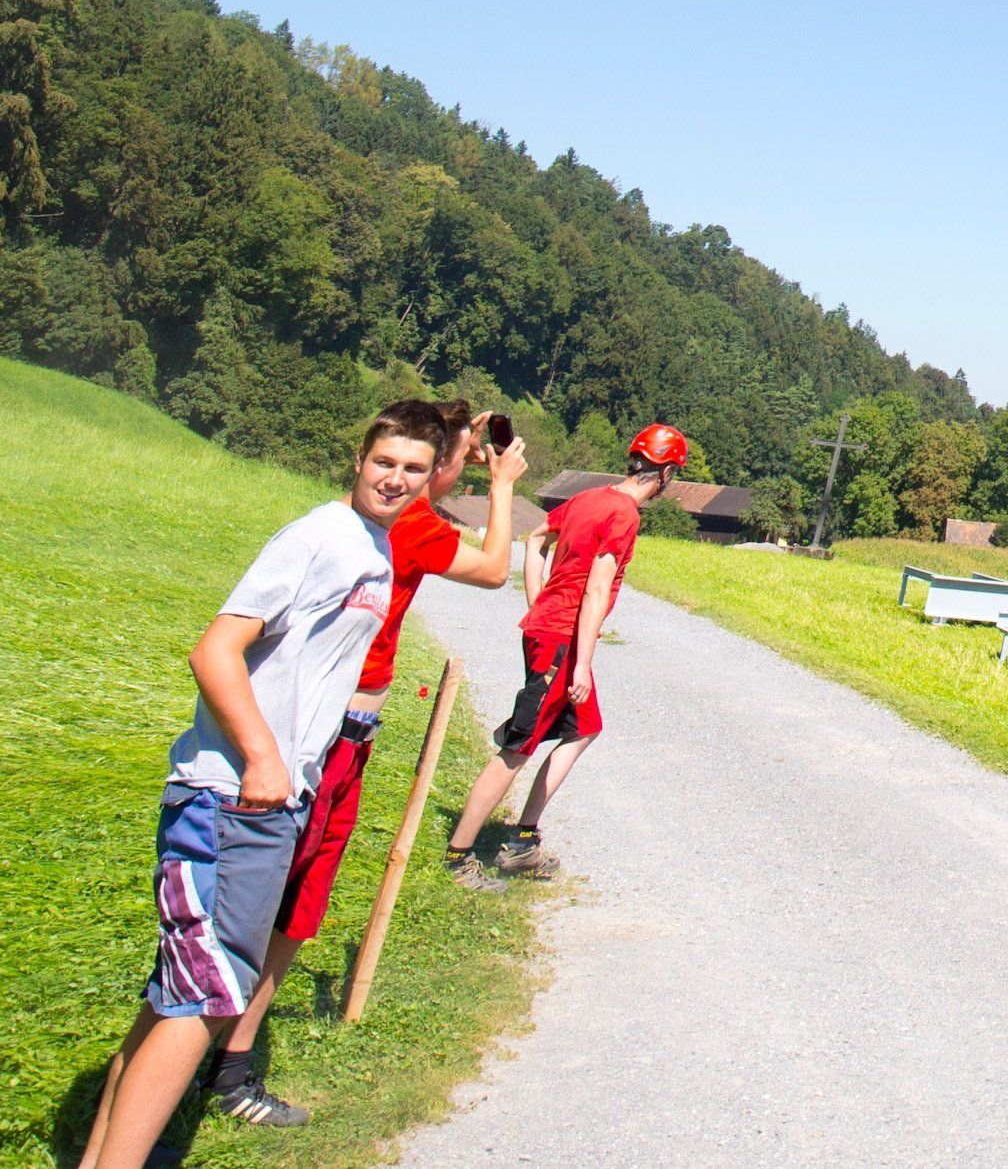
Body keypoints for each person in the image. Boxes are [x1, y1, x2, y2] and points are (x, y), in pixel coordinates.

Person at [84, 407, 438, 1169]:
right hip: (231, 796)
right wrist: (263, 758)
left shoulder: (374, 548)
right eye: (384, 460)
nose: (394, 478)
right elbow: (215, 649)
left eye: (413, 467)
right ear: (358, 456)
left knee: (180, 990)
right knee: (207, 994)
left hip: (268, 802)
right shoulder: (320, 537)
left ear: (432, 476)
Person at [206, 402, 527, 1128]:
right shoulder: (403, 524)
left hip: (350, 729)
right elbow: (495, 568)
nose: (432, 473)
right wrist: (502, 484)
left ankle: (226, 1056)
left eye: (425, 462)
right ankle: (220, 1060)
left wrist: (462, 453)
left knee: (298, 894)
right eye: (456, 455)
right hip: (330, 733)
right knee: (282, 896)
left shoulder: (399, 523)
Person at [440, 422, 688, 887]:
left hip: (550, 631)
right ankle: (458, 857)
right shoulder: (625, 516)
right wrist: (582, 663)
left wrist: (536, 600)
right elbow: (596, 591)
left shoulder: (590, 498)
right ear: (668, 473)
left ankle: (522, 843)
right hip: (561, 642)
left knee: (584, 729)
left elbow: (534, 540)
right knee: (518, 747)